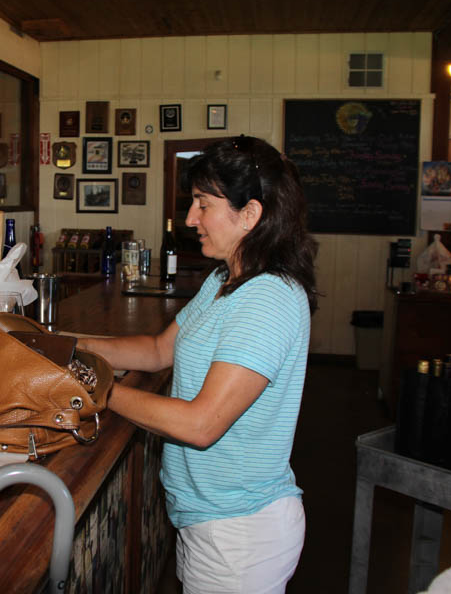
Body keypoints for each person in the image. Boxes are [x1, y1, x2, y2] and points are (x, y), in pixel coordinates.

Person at [79, 136, 318, 594]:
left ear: (250, 214)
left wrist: (93, 386)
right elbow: (157, 351)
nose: (191, 220)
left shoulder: (269, 298)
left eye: (203, 205)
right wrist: (65, 346)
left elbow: (201, 424)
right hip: (210, 520)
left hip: (240, 535)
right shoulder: (225, 281)